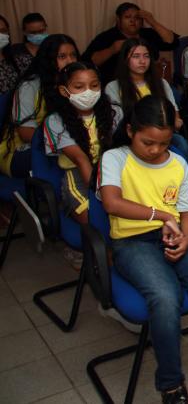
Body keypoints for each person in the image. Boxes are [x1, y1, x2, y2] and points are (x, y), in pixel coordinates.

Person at [97, 95, 188, 404]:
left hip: (175, 234)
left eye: (163, 144)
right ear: (131, 130)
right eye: (148, 142)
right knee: (164, 297)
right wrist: (161, 215)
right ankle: (172, 387)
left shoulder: (176, 162)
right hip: (132, 242)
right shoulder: (115, 158)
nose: (155, 151)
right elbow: (111, 202)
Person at [105, 38, 188, 226]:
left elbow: (174, 118)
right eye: (136, 56)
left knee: (179, 143)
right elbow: (117, 124)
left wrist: (174, 121)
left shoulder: (161, 84)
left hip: (165, 136)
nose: (142, 61)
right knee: (181, 144)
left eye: (146, 56)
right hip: (133, 138)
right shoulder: (114, 87)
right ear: (126, 60)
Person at [43, 61, 122, 269]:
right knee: (98, 218)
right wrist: (103, 196)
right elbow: (81, 160)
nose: (88, 92)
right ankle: (107, 268)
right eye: (79, 87)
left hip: (111, 169)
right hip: (79, 176)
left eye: (94, 85)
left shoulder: (114, 112)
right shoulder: (56, 121)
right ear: (64, 90)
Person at [0, 35, 80, 177]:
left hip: (64, 142)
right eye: (62, 56)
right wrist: (67, 143)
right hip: (22, 150)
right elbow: (25, 133)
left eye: (73, 55)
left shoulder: (75, 83)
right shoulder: (29, 86)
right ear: (49, 59)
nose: (70, 61)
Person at [84, 2, 178, 84]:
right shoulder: (107, 37)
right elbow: (89, 62)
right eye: (127, 17)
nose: (133, 21)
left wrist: (151, 20)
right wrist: (112, 50)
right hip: (117, 83)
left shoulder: (148, 34)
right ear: (118, 19)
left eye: (137, 18)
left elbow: (171, 42)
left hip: (150, 81)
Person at [0, 12, 47, 92]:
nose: (38, 35)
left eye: (41, 31)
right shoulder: (16, 51)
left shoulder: (52, 47)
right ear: (24, 32)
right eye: (33, 32)